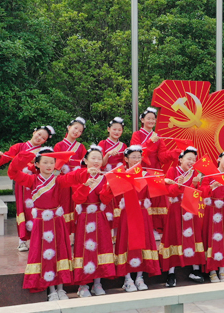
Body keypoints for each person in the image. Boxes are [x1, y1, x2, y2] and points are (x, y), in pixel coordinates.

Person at [7, 148, 77, 300]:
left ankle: (61, 289)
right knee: (45, 254)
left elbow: (73, 177)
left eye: (52, 162)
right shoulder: (31, 180)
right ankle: (51, 289)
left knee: (60, 252)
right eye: (45, 162)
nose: (49, 165)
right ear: (37, 164)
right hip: (41, 223)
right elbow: (13, 172)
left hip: (57, 221)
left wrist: (89, 170)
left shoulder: (58, 180)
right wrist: (25, 156)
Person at [0, 125, 55, 252]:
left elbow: (46, 169)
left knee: (37, 211)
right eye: (39, 134)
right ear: (34, 132)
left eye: (43, 138)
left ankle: (39, 240)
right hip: (21, 185)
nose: (39, 138)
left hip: (36, 185)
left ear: (45, 141)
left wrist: (34, 165)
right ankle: (22, 241)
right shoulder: (19, 147)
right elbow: (4, 159)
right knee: (22, 211)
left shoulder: (43, 152)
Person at [65, 145, 116, 297]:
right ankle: (82, 285)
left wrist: (108, 188)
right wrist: (85, 186)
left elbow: (105, 200)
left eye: (99, 159)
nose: (96, 161)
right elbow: (77, 199)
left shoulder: (105, 177)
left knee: (101, 247)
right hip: (84, 217)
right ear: (85, 160)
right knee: (84, 249)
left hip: (100, 216)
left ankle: (97, 282)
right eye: (93, 158)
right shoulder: (78, 175)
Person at [114, 146, 162, 292]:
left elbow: (156, 193)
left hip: (142, 213)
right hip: (127, 213)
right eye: (133, 157)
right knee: (126, 243)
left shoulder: (146, 174)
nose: (136, 160)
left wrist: (163, 181)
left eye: (139, 157)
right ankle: (127, 278)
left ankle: (140, 277)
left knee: (143, 243)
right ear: (126, 159)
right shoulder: (119, 174)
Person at [161, 147, 206, 287]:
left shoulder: (195, 173)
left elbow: (198, 193)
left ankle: (195, 269)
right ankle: (171, 273)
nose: (191, 162)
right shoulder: (172, 171)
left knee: (193, 237)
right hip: (176, 209)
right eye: (189, 158)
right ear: (180, 159)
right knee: (174, 237)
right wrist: (178, 185)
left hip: (190, 209)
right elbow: (169, 192)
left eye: (194, 159)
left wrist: (195, 184)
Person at [130, 107, 172, 241]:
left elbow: (162, 157)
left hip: (155, 171)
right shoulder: (137, 134)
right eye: (148, 118)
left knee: (157, 201)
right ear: (142, 120)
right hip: (141, 171)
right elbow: (136, 153)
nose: (151, 121)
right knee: (142, 199)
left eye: (153, 119)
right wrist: (151, 141)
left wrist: (174, 153)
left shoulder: (158, 137)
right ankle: (142, 227)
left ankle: (155, 228)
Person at [201, 149, 224, 283]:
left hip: (223, 213)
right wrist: (212, 187)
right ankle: (212, 271)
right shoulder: (209, 175)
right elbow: (202, 192)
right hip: (211, 211)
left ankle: (222, 271)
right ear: (219, 159)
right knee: (212, 239)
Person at [54, 117, 87, 239]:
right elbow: (56, 165)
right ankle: (64, 236)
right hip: (64, 180)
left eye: (80, 131)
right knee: (64, 205)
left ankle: (76, 237)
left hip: (77, 181)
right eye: (75, 128)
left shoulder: (81, 147)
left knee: (76, 206)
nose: (77, 132)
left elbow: (85, 164)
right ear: (69, 127)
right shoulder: (59, 145)